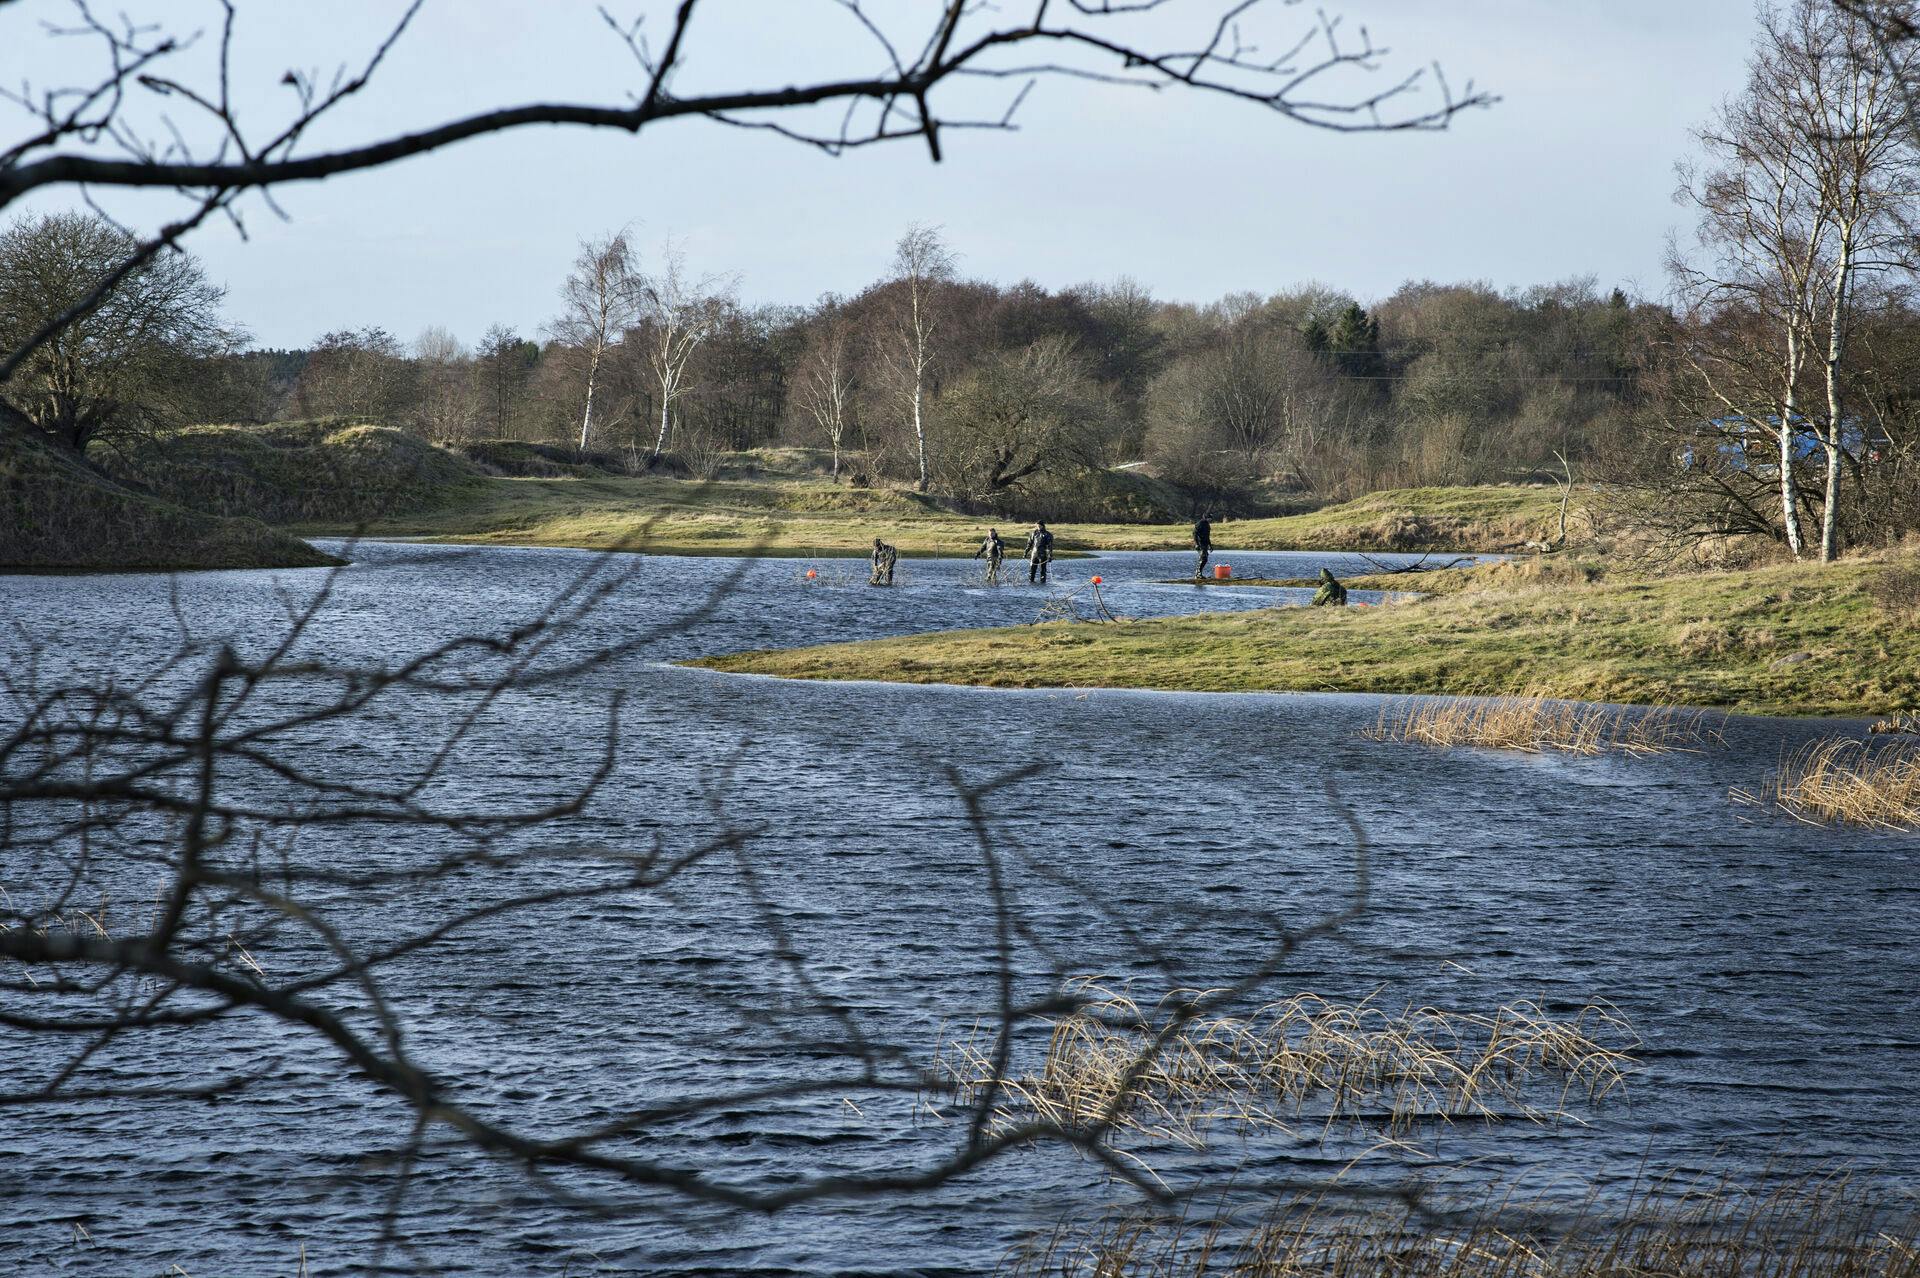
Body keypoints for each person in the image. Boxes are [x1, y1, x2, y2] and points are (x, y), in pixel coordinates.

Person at [1025, 521, 1054, 585]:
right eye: (1037, 526)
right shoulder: (1034, 533)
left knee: (1042, 570)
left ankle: (1043, 583)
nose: (1038, 527)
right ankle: (1031, 582)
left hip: (1043, 554)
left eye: (1039, 526)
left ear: (1043, 526)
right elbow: (1029, 544)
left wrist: (1050, 555)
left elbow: (1050, 546)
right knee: (1032, 570)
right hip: (1034, 553)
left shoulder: (1047, 534)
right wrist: (1025, 552)